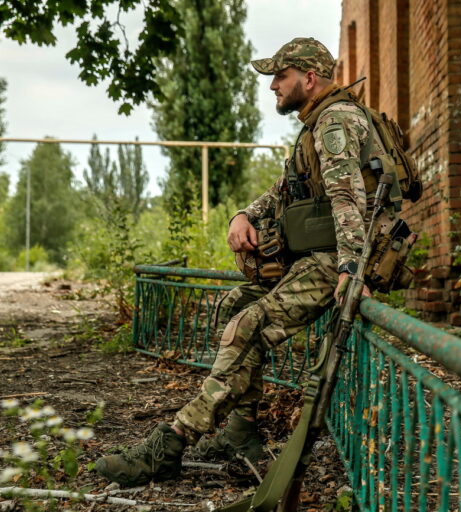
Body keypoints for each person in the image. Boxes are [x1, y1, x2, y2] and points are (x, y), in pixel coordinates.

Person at [94, 37, 389, 487]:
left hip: (338, 258)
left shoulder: (336, 121)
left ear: (309, 79)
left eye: (281, 76)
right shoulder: (317, 124)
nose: (273, 85)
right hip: (323, 256)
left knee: (249, 324)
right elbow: (286, 188)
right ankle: (239, 433)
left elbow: (349, 196)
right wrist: (245, 215)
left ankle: (172, 442)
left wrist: (351, 270)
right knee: (236, 305)